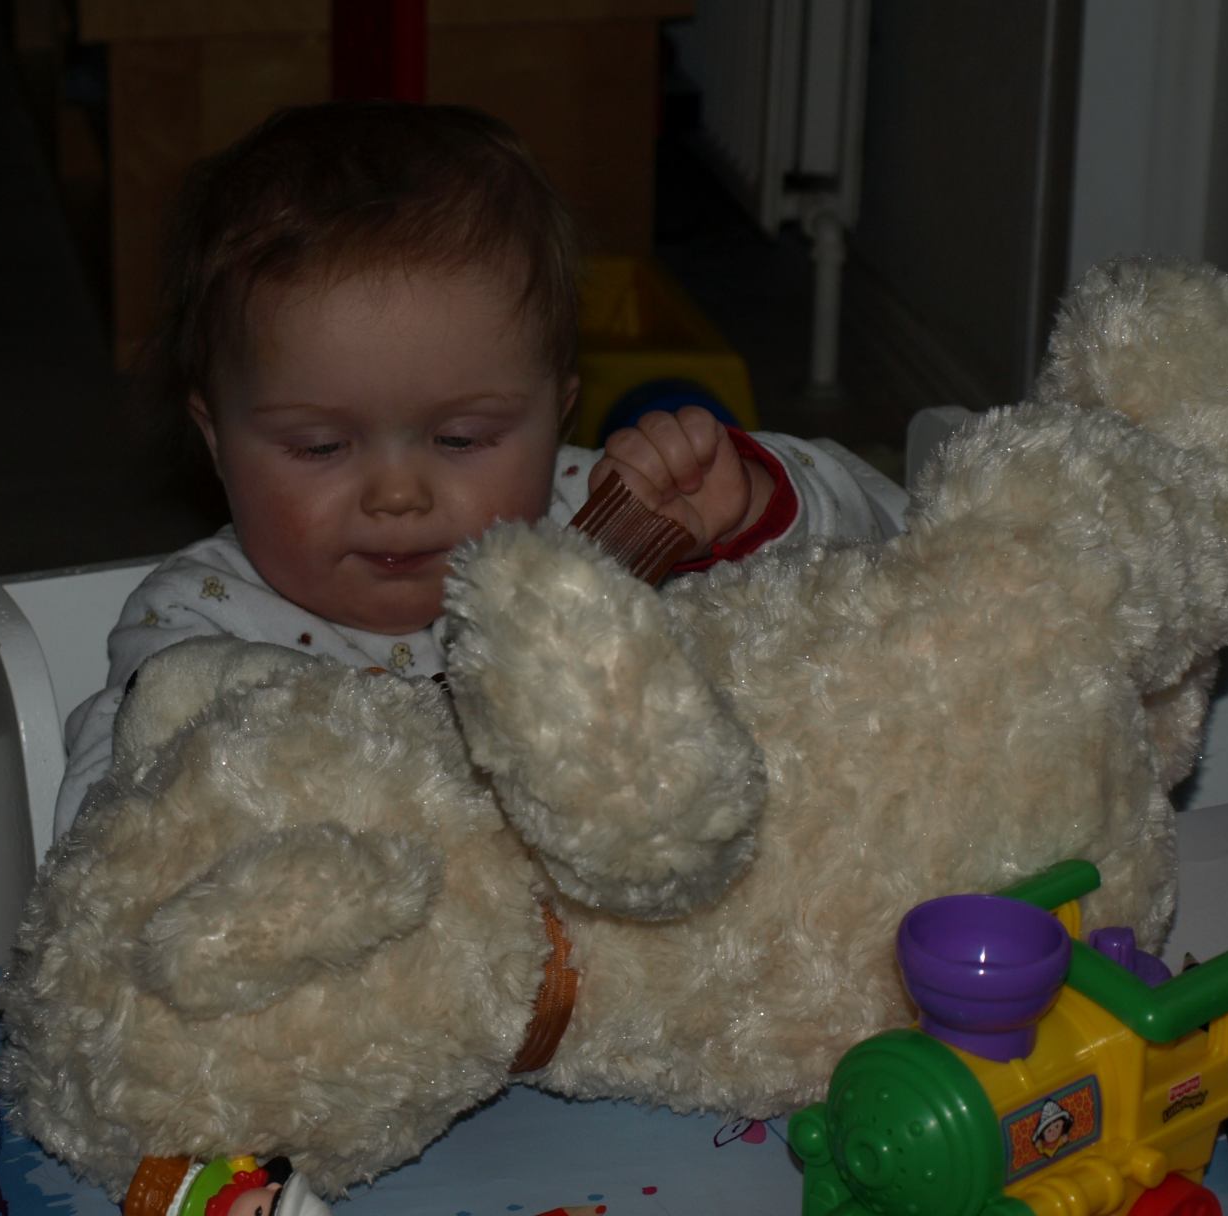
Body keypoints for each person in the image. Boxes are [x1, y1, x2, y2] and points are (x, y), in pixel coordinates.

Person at [54, 102, 906, 837]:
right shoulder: (195, 628)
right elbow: (108, 853)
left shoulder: (601, 521)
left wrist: (750, 505)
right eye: (319, 447)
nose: (397, 494)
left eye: (461, 439)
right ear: (216, 438)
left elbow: (886, 545)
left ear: (557, 414)